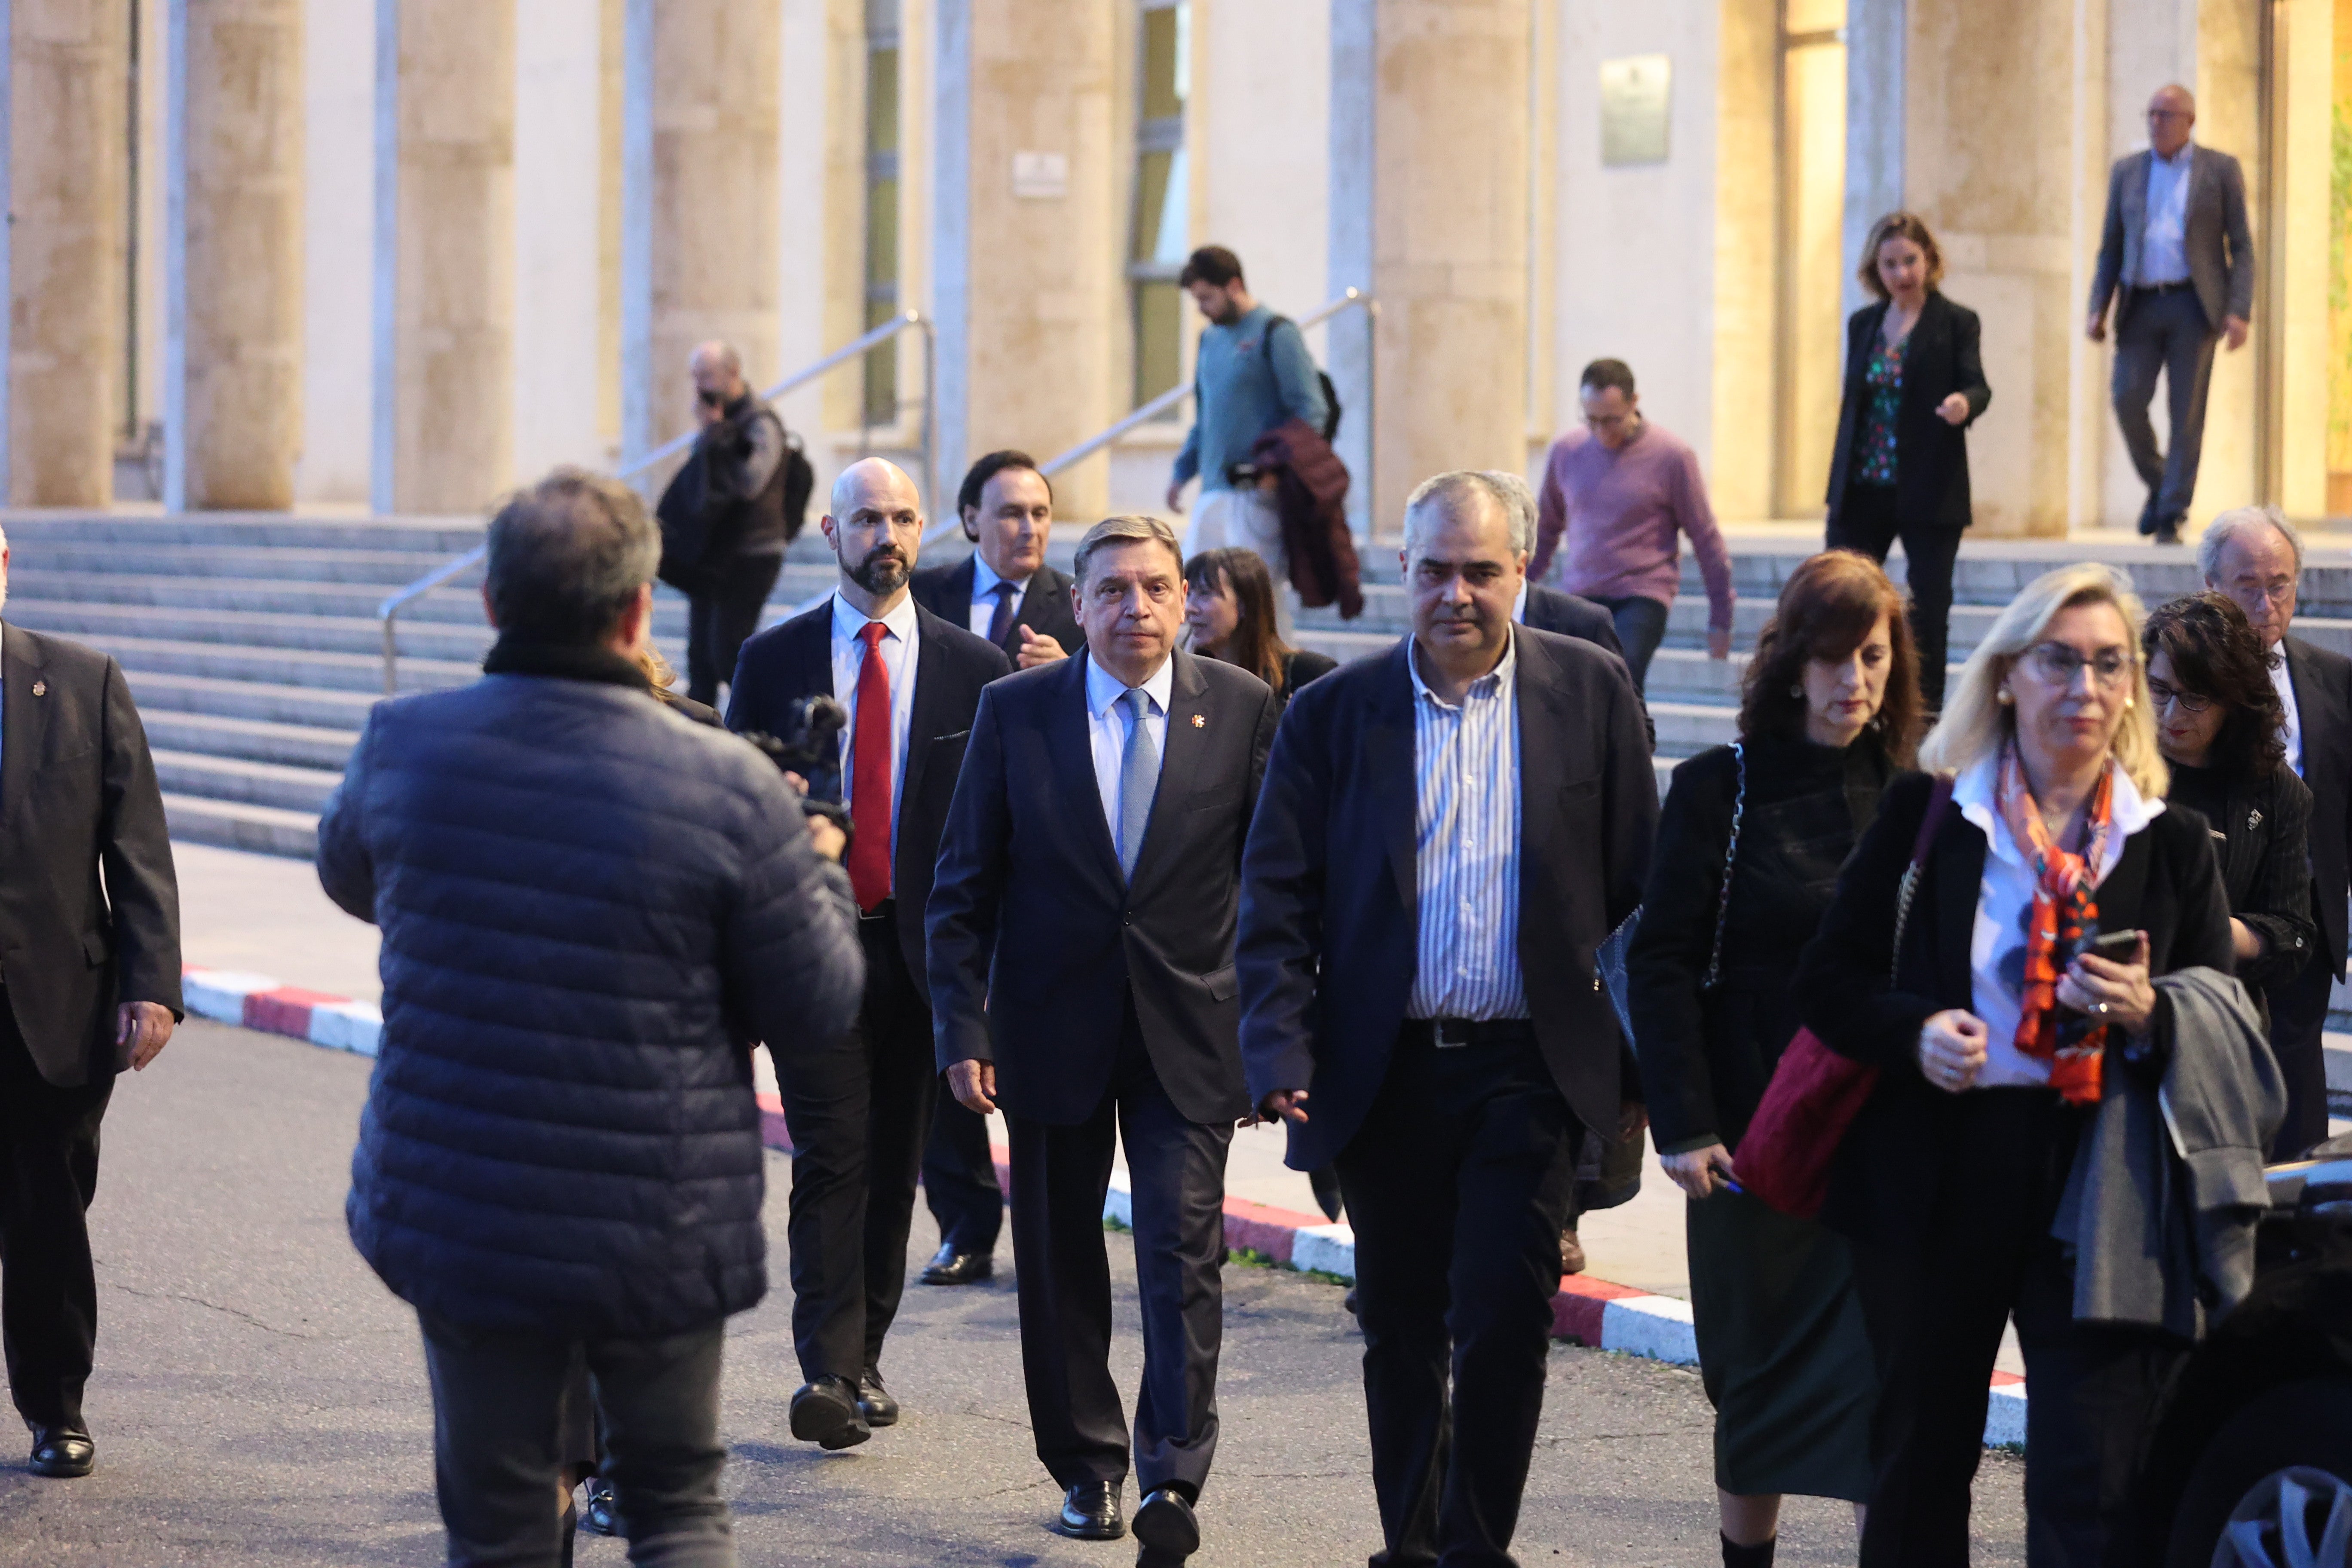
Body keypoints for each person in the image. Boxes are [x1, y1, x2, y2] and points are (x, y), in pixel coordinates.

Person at [320, 469, 864, 1568]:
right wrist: (818, 874)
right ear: (636, 610)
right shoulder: (727, 784)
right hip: (658, 1220)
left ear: (488, 603)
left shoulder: (403, 747)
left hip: (463, 1205)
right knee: (675, 1507)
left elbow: (351, 877)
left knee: (500, 1518)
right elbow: (816, 1005)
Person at [1239, 471, 1656, 1566]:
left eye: (1480, 571)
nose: (1456, 595)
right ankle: (1409, 1546)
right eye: (1433, 571)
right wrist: (1279, 1047)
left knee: (1506, 1319)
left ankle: (1474, 1549)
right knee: (1400, 1326)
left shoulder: (1592, 691)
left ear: (1523, 569)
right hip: (1382, 1075)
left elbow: (1633, 881)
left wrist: (1635, 1058)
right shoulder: (1333, 715)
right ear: (1401, 574)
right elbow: (1274, 896)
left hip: (1528, 1070)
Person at [1795, 562, 2236, 1566]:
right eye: (2057, 662)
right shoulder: (1930, 815)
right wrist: (1912, 1031)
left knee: (2095, 1470)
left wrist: (2149, 1012)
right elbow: (1825, 981)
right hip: (1936, 1167)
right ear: (2006, 676)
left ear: (2129, 686)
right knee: (1918, 1457)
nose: (2081, 689)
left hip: (2101, 1177)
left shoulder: (2164, 842)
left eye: (2106, 666)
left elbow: (2221, 1009)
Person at [928, 514, 1280, 1565]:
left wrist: (1275, 1030)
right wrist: (961, 1022)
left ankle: (1171, 1470)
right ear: (1074, 604)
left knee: (1182, 1250)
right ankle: (1086, 1466)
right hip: (1044, 1030)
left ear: (1184, 601)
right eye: (1113, 590)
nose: (1136, 608)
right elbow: (961, 887)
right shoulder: (1015, 711)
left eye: (1156, 588)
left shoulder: (1245, 708)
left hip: (1192, 1030)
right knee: (1058, 1261)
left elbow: (1274, 888)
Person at [1628, 551, 1923, 1568]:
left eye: (1874, 659)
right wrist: (1683, 1122)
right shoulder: (1722, 786)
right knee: (1751, 1379)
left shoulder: (1914, 795)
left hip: (1886, 1137)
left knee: (1883, 1380)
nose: (1855, 682)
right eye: (1835, 659)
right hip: (1750, 1138)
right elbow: (1659, 959)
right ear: (1792, 661)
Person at [726, 457, 1011, 1446]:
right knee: (832, 1157)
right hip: (813, 949)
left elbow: (994, 831)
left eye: (898, 518)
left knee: (897, 1165)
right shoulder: (773, 661)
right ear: (827, 529)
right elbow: (737, 804)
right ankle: (827, 1370)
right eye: (864, 518)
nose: (882, 534)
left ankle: (864, 1356)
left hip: (924, 957)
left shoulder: (977, 671)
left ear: (924, 528)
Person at [0, 525, 181, 1482]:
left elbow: (137, 844)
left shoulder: (78, 680)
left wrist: (153, 984)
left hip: (50, 1007)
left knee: (46, 1217)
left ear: (1, 567)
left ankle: (54, 1406)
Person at [2200, 505, 2342, 1157]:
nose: (2265, 602)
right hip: (2218, 911)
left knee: (2299, 1075)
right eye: (2247, 585)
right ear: (2212, 589)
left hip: (2307, 912)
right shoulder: (2181, 683)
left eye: (2279, 583)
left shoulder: (2334, 678)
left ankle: (2300, 1227)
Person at [1824, 212, 1991, 714]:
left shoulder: (1956, 321)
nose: (1902, 273)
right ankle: (1844, 696)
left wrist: (1965, 403)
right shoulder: (1864, 323)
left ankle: (1924, 710)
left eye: (1910, 261)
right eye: (1891, 263)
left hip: (1929, 486)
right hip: (1862, 484)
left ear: (1929, 260)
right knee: (1842, 595)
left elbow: (1978, 384)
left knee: (1928, 606)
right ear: (1876, 267)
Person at [2088, 84, 2256, 545]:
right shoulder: (2127, 171)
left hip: (2194, 304)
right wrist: (2096, 307)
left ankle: (2170, 514)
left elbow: (2241, 246)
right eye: (2152, 113)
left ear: (2190, 120)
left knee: (2186, 414)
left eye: (2166, 114)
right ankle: (2163, 485)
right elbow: (2111, 246)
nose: (2156, 122)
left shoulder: (2219, 169)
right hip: (2139, 303)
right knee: (2126, 397)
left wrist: (2240, 310)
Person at [2142, 593, 2315, 1037]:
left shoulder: (2276, 792)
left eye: (2196, 698)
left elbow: (2292, 933)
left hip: (2210, 1025)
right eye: (2159, 689)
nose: (2171, 713)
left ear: (2235, 703)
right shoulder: (2109, 764)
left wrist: (2208, 926)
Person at [1530, 358, 1734, 692]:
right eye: (1591, 420)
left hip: (1642, 593)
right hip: (1583, 591)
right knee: (1573, 691)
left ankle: (1633, 744)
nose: (1601, 431)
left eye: (1611, 420)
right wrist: (1517, 588)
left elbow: (1705, 537)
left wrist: (1721, 618)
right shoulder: (1567, 452)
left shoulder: (1672, 456)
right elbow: (1546, 530)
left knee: (1622, 678)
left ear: (1634, 403)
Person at [1164, 246, 1330, 612]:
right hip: (1213, 491)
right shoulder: (1209, 340)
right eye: (1197, 299)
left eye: (1207, 297)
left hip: (1257, 494)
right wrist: (1181, 473)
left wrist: (1276, 469)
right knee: (1192, 605)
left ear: (1234, 285)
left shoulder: (1276, 333)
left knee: (1258, 607)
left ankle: (1270, 672)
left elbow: (1312, 410)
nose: (1202, 308)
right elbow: (1205, 417)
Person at [655, 341, 796, 706]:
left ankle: (760, 721)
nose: (699, 385)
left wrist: (717, 433)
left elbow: (751, 484)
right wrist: (709, 433)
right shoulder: (715, 419)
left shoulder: (761, 422)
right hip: (713, 552)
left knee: (728, 651)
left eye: (706, 376)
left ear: (733, 374)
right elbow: (704, 482)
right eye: (695, 376)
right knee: (699, 656)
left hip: (753, 552)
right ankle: (698, 732)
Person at [910, 448, 1083, 670]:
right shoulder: (921, 594)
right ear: (972, 520)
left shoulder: (1078, 605)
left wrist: (1069, 672)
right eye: (1012, 514)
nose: (1030, 530)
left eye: (1039, 514)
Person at [1183, 546, 1337, 705]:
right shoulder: (1190, 680)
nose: (1189, 608)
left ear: (1245, 604)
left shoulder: (1311, 675)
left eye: (1205, 594)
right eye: (1188, 595)